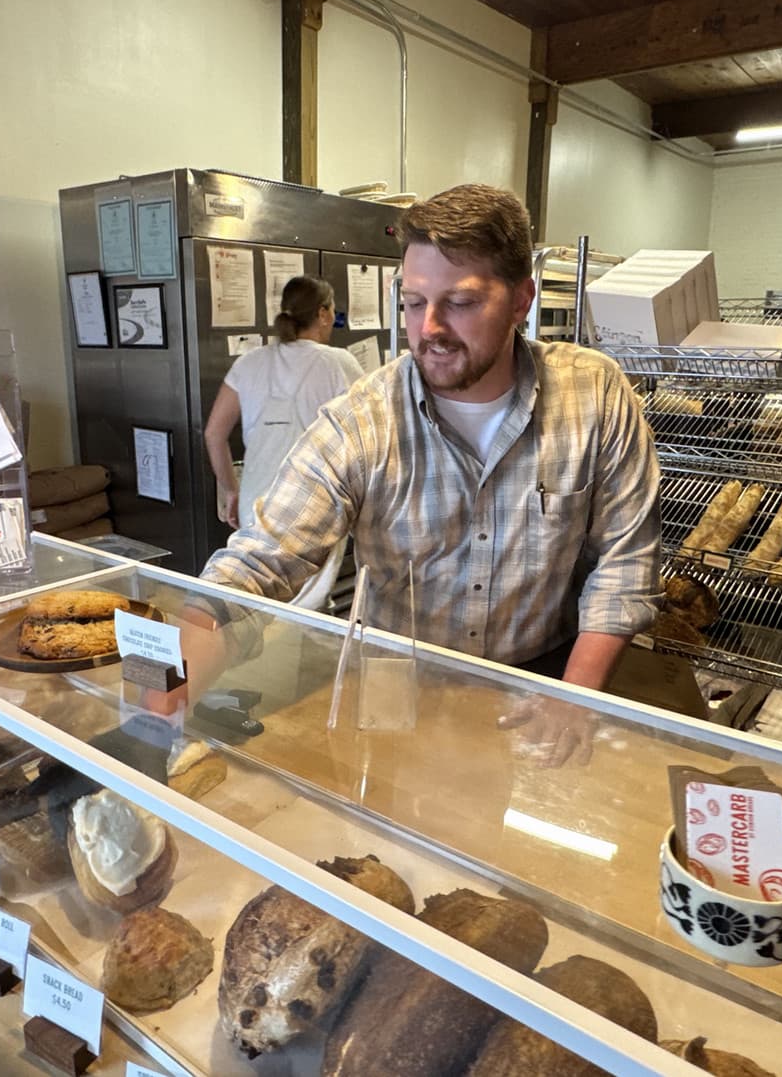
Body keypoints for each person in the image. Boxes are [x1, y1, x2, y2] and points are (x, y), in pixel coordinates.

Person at [195, 183, 661, 764]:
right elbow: (265, 556)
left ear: (522, 300)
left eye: (460, 302)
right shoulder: (363, 421)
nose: (430, 327)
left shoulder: (594, 395)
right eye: (413, 303)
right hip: (399, 691)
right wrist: (174, 648)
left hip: (544, 683)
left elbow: (625, 564)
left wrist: (575, 697)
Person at [202, 275, 363, 610]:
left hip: (256, 499)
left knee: (257, 605)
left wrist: (231, 489)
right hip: (314, 504)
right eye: (332, 311)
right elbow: (365, 438)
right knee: (305, 612)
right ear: (322, 314)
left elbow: (214, 434)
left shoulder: (249, 362)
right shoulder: (338, 363)